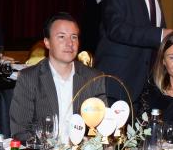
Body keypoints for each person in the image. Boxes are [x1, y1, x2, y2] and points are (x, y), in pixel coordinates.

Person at [9, 12, 105, 142]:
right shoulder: (29, 78)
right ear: (47, 42)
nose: (69, 43)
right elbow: (20, 131)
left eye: (74, 37)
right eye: (61, 37)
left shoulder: (93, 78)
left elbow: (102, 127)